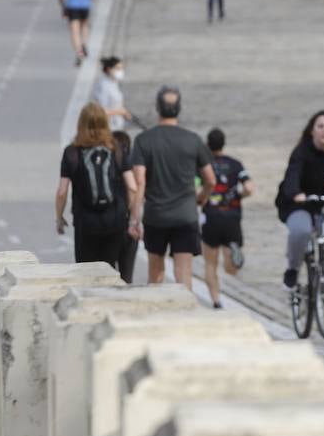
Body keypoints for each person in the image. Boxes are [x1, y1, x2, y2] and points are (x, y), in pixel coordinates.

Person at [129, 86, 216, 288]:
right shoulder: (193, 140)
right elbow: (210, 179)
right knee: (183, 273)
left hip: (156, 215)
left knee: (156, 272)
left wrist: (134, 219)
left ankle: (157, 314)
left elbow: (139, 182)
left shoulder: (144, 140)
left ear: (158, 108)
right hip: (185, 214)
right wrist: (202, 197)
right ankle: (186, 316)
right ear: (179, 108)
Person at [56, 102, 136, 276]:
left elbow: (62, 191)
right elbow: (132, 187)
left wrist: (59, 217)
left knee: (86, 273)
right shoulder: (117, 148)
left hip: (85, 223)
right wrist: (130, 215)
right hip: (114, 221)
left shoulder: (72, 152)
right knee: (108, 269)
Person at [276, 110, 324, 292]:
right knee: (301, 232)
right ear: (312, 130)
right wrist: (296, 193)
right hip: (300, 204)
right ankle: (293, 269)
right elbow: (292, 175)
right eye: (320, 126)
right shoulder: (301, 152)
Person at [201, 128, 253, 310]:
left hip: (211, 216)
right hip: (232, 216)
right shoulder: (236, 164)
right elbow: (249, 187)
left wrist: (202, 200)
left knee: (210, 263)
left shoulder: (203, 165)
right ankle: (232, 252)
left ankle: (216, 301)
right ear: (223, 143)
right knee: (230, 269)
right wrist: (238, 196)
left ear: (208, 144)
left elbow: (197, 189)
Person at [112, 130, 140, 283]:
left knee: (107, 273)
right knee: (127, 277)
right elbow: (135, 189)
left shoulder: (109, 167)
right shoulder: (132, 169)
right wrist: (130, 214)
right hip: (128, 224)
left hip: (111, 224)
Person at [93, 56, 131, 132]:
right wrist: (121, 112)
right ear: (109, 69)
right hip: (108, 127)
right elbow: (101, 110)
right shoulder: (103, 86)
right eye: (117, 69)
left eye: (121, 68)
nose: (120, 71)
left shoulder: (114, 83)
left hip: (117, 125)